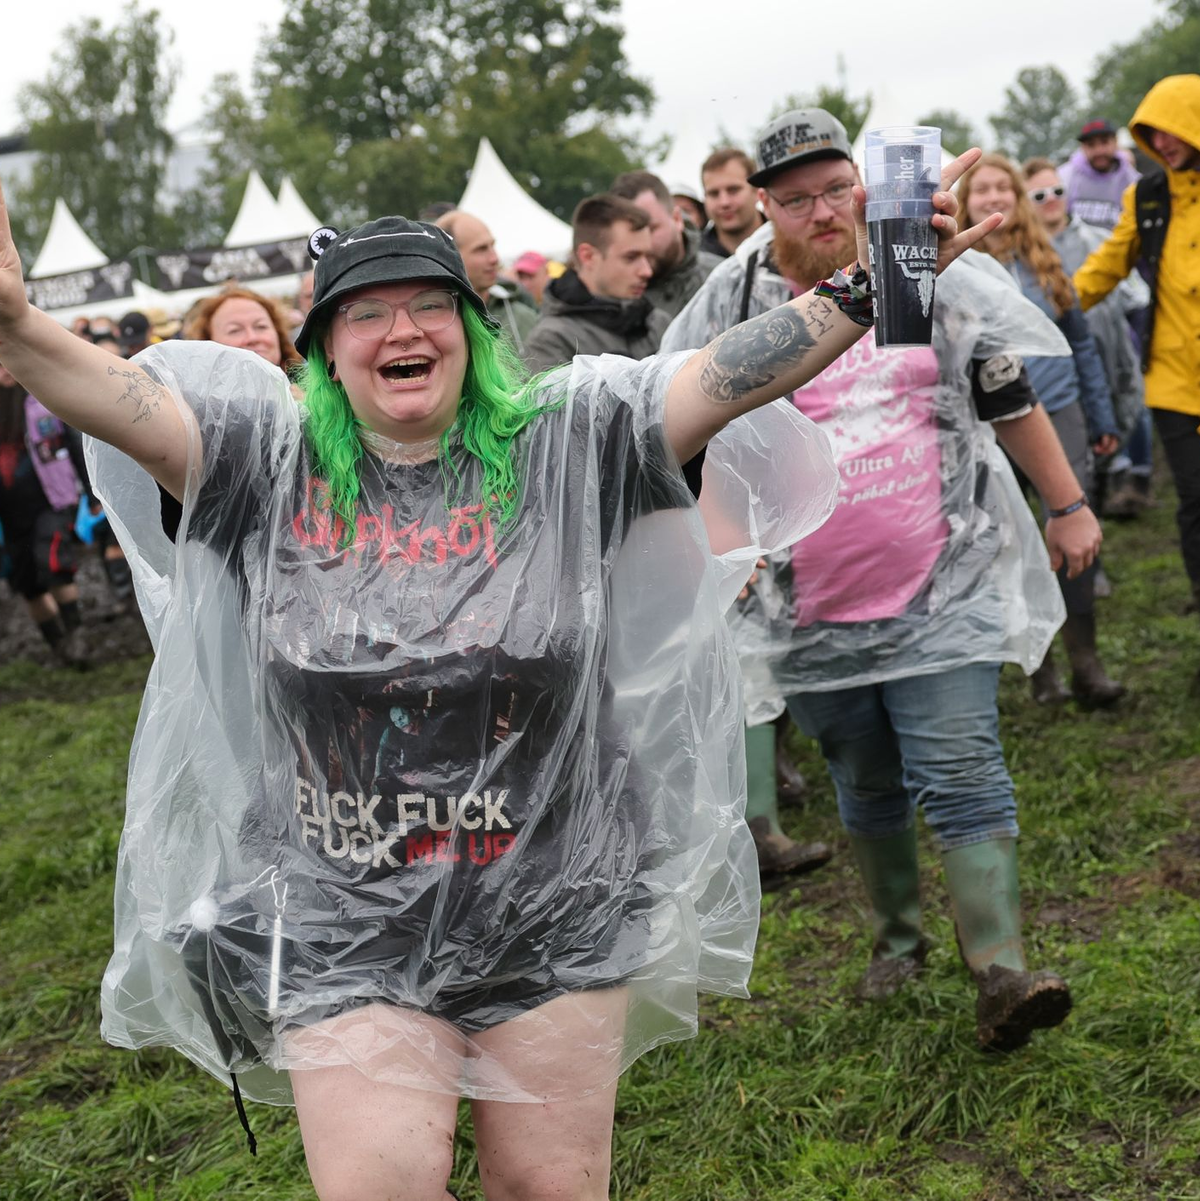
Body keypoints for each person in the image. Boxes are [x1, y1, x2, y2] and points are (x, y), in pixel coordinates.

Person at [0, 151, 997, 1195]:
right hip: (346, 910)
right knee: (382, 1181)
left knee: (550, 1187)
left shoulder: (573, 439)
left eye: (431, 306)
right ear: (327, 350)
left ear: (476, 332)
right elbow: (118, 404)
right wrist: (20, 323)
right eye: (366, 314)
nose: (402, 332)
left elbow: (722, 371)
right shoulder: (261, 460)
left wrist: (866, 284)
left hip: (557, 890)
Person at [665, 108, 1102, 1051]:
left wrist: (1067, 504)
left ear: (863, 189)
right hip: (804, 607)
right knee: (864, 781)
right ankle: (897, 940)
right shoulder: (733, 300)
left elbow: (1002, 391)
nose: (821, 210)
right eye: (796, 198)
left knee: (961, 767)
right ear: (762, 207)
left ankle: (1000, 968)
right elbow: (687, 431)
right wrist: (722, 545)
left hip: (942, 583)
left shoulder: (921, 265)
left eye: (836, 190)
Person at [960, 153, 1123, 708]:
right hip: (990, 431)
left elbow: (1081, 344)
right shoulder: (954, 269)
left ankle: (1087, 663)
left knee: (1073, 539)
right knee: (1014, 544)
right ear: (966, 202)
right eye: (981, 189)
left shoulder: (1046, 261)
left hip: (1062, 411)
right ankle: (1041, 668)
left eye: (1004, 188)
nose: (994, 198)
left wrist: (1101, 416)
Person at [1073, 75, 1200, 661]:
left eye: (1171, 129)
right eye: (1151, 133)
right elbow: (1103, 269)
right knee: (1195, 504)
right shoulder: (1148, 197)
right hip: (1176, 384)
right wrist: (1049, 313)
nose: (1161, 142)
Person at [1023, 157, 1152, 518]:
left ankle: (1124, 484)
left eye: (1058, 191)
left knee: (1122, 421)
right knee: (1073, 456)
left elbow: (1137, 296)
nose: (1051, 199)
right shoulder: (1023, 261)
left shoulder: (1099, 241)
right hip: (1058, 376)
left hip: (1111, 361)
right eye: (1039, 195)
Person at [0, 362, 92, 666]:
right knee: (28, 583)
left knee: (52, 560)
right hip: (9, 513)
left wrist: (92, 492)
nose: (6, 370)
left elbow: (75, 443)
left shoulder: (42, 398)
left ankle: (77, 636)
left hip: (51, 500)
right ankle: (59, 646)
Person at [521, 194, 668, 371]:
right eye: (631, 257)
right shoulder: (551, 342)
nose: (646, 271)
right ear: (588, 256)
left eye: (647, 256)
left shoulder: (657, 322)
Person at [610, 170, 722, 319]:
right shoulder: (611, 294)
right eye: (631, 234)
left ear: (677, 219)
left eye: (650, 228)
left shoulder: (723, 279)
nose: (642, 244)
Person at [436, 211, 539, 355]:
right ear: (449, 256)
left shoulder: (522, 317)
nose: (495, 258)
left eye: (492, 246)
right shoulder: (432, 323)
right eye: (481, 249)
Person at [183, 286, 303, 372]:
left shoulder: (312, 394)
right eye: (234, 330)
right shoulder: (191, 404)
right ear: (208, 342)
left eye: (261, 326)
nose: (252, 337)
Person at [1059, 119, 1142, 231]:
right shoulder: (1066, 176)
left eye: (1104, 142)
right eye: (1091, 145)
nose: (1099, 151)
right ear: (1083, 147)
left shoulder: (1132, 180)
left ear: (1116, 142)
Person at [700, 147, 766, 258]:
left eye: (733, 190)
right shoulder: (695, 261)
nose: (724, 202)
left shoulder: (790, 242)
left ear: (756, 191)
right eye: (713, 193)